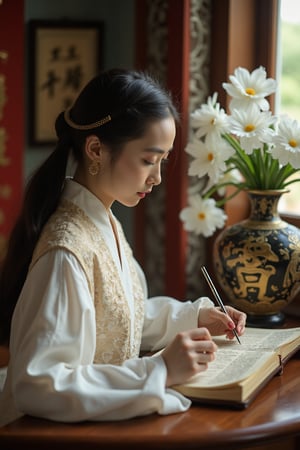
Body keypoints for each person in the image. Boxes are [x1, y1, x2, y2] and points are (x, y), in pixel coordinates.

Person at [0, 68, 246, 425]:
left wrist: (193, 316)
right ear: (96, 149)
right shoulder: (66, 251)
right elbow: (39, 383)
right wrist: (157, 368)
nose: (157, 177)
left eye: (163, 160)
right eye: (149, 160)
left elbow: (115, 317)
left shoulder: (103, 221)